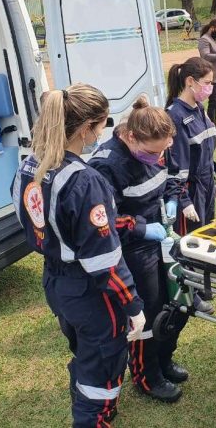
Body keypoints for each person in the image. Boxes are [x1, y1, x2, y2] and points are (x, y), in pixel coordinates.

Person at [12, 84, 146, 427]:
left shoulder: (29, 166)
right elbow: (104, 260)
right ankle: (93, 417)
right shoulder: (85, 180)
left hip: (55, 280)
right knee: (102, 362)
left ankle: (86, 396)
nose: (103, 131)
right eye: (102, 124)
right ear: (87, 128)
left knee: (85, 348)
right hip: (89, 290)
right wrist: (132, 304)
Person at [88, 97, 189, 404]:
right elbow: (101, 221)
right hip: (134, 246)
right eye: (151, 152)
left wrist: (172, 198)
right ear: (132, 138)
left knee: (179, 301)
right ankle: (147, 375)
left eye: (162, 150)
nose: (158, 156)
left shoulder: (156, 142)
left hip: (162, 234)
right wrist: (142, 228)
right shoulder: (107, 165)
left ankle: (164, 358)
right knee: (150, 310)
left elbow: (173, 175)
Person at [165, 57, 216, 235]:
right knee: (193, 241)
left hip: (207, 185)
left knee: (208, 235)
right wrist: (184, 201)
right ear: (190, 82)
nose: (210, 88)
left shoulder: (200, 109)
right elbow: (175, 165)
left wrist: (213, 181)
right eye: (207, 83)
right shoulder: (175, 116)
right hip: (191, 190)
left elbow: (206, 152)